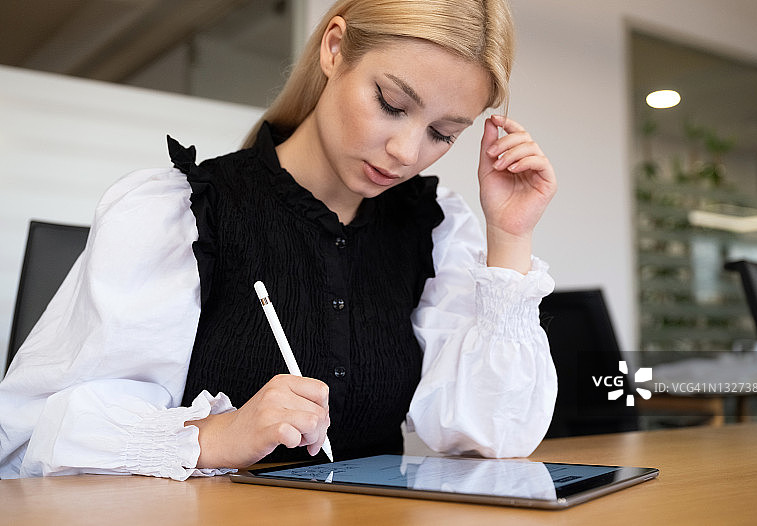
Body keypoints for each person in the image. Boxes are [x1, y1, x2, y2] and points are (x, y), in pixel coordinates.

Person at [0, 0, 558, 480]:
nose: (407, 153)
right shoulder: (185, 212)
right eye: (391, 104)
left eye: (443, 133)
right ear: (335, 49)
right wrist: (216, 436)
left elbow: (490, 439)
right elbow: (32, 437)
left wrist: (509, 238)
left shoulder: (433, 230)